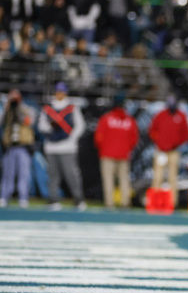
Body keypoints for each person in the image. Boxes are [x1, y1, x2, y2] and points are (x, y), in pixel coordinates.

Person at [37, 82, 87, 211]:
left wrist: (72, 138)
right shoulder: (48, 108)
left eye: (62, 91)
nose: (59, 94)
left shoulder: (71, 107)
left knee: (72, 174)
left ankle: (78, 199)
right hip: (52, 146)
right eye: (58, 91)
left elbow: (80, 125)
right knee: (52, 175)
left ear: (65, 92)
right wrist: (50, 127)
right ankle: (53, 199)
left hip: (67, 147)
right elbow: (41, 125)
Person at [94, 94, 139, 209]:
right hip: (123, 155)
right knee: (124, 180)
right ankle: (125, 202)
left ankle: (110, 203)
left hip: (108, 154)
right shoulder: (129, 120)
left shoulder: (106, 118)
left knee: (108, 180)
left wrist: (104, 149)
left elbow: (98, 137)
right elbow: (134, 139)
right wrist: (126, 149)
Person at [148, 95, 188, 205]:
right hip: (161, 151)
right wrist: (159, 142)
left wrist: (176, 143)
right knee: (157, 177)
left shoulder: (181, 116)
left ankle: (172, 203)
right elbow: (152, 130)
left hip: (173, 151)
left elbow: (186, 134)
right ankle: (154, 202)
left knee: (173, 178)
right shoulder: (161, 115)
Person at [0, 90, 35, 208]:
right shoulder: (7, 110)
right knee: (7, 174)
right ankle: (4, 197)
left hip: (23, 147)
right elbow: (2, 122)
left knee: (23, 174)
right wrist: (7, 107)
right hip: (10, 147)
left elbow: (30, 121)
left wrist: (19, 107)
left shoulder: (26, 108)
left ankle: (23, 198)